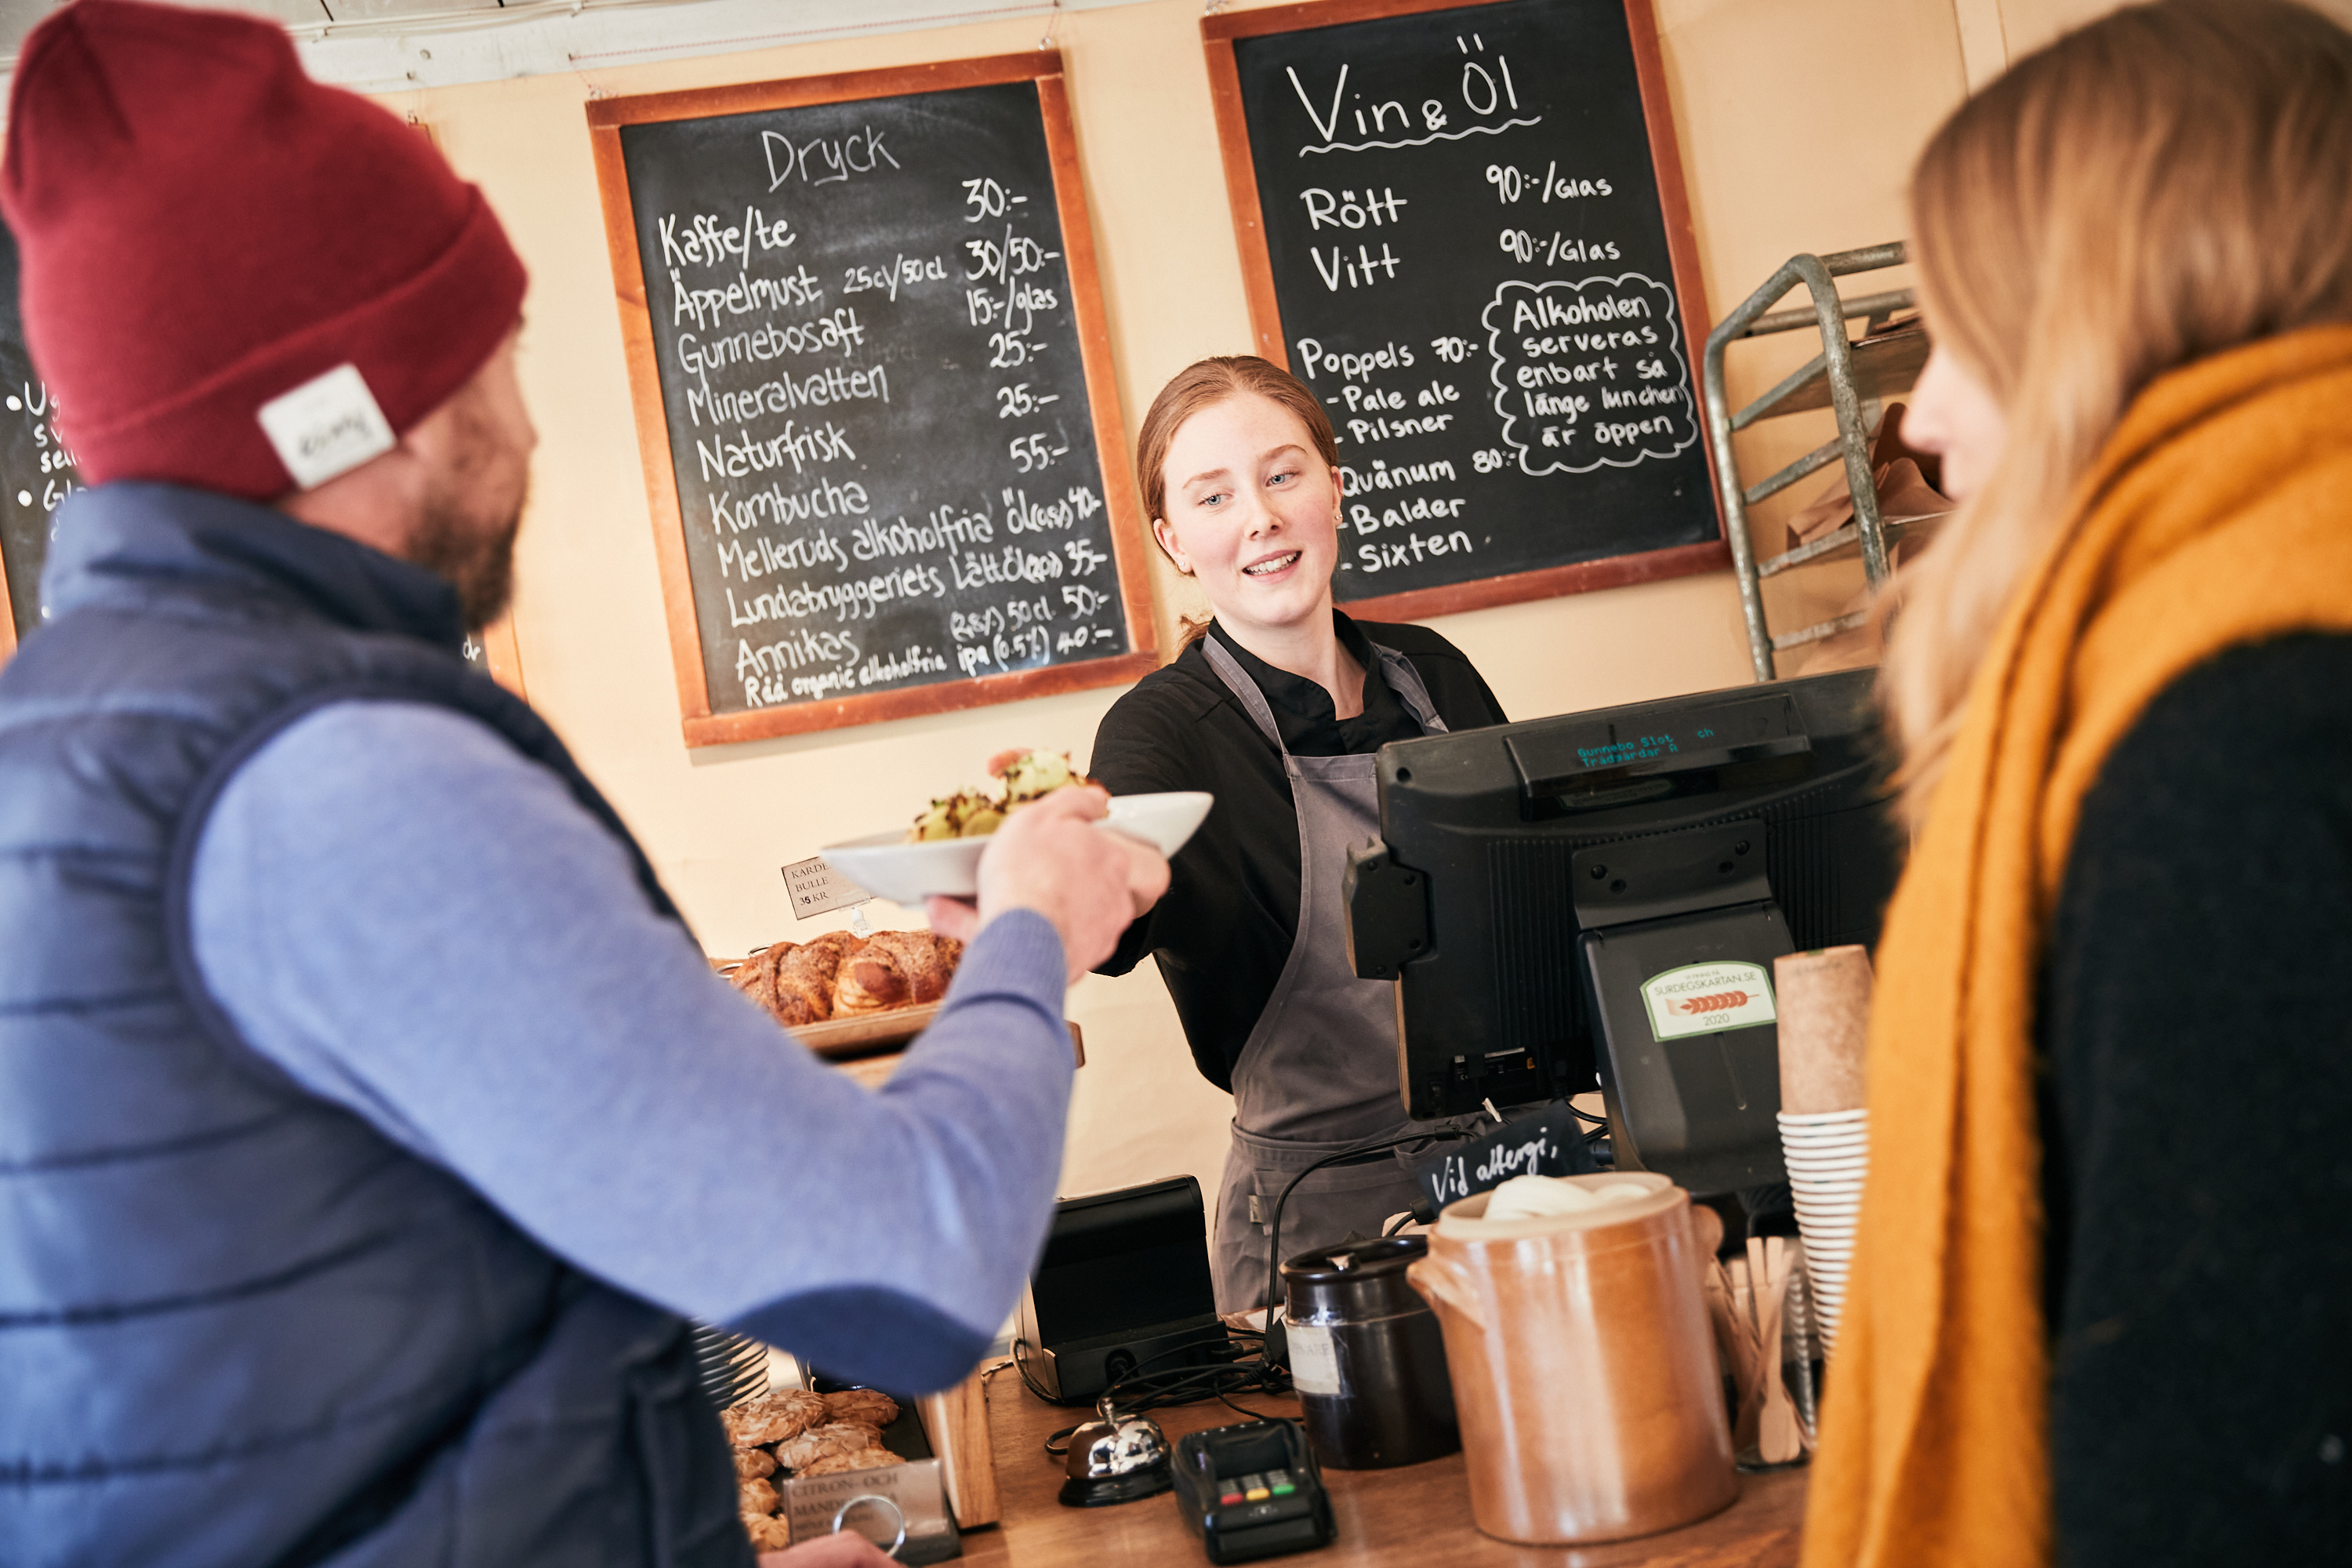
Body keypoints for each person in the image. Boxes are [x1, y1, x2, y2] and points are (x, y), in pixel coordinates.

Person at [0, 5, 1166, 1566]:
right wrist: (1030, 928)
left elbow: (285, 1375)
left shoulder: (62, 741)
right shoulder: (343, 778)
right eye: (492, 352)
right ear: (361, 403)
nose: (527, 417)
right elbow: (913, 1266)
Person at [1803, 4, 2352, 1565]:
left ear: (2108, 313)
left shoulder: (2240, 747)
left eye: (1962, 331)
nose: (1919, 421)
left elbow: (2220, 1460)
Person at [1089, 357, 1508, 1313]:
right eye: (1213, 496)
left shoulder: (1436, 672)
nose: (1261, 517)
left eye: (1284, 475)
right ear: (1175, 541)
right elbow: (1106, 916)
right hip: (1320, 1245)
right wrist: (1076, 883)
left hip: (1513, 1186)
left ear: (1335, 490)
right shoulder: (1160, 732)